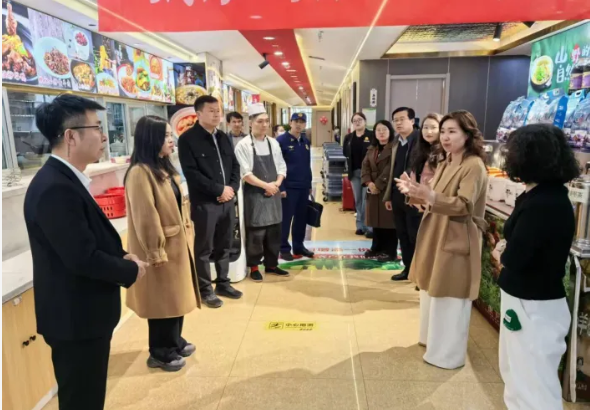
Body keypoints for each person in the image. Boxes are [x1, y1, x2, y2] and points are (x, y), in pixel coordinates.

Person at [24, 95, 147, 410]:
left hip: (81, 315)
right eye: (97, 128)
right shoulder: (55, 187)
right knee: (82, 400)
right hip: (75, 319)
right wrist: (130, 270)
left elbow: (84, 240)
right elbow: (82, 258)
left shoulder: (65, 179)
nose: (104, 136)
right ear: (71, 137)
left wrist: (119, 256)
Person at [395, 110, 488, 370]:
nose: (445, 137)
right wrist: (414, 193)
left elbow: (464, 205)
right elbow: (432, 197)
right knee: (431, 290)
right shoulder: (447, 161)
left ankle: (447, 355)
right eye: (444, 132)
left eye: (452, 132)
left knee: (450, 294)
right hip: (436, 232)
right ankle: (430, 342)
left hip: (457, 235)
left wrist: (429, 196)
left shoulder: (473, 165)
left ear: (468, 135)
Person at [495, 124, 579, 410]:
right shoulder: (542, 195)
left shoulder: (544, 202)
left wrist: (502, 253)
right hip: (527, 298)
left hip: (533, 303)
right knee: (518, 373)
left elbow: (518, 256)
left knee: (532, 380)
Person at [124, 116, 201, 372]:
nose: (171, 140)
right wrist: (155, 252)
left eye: (171, 135)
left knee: (176, 297)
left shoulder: (163, 167)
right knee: (162, 301)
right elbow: (145, 217)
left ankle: (174, 341)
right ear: (151, 138)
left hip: (177, 245)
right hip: (160, 249)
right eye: (166, 135)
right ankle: (160, 351)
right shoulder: (140, 172)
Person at [178, 95, 242, 309]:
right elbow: (192, 174)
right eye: (212, 111)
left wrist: (231, 189)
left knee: (225, 244)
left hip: (227, 201)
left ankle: (223, 283)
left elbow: (235, 166)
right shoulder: (187, 139)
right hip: (205, 203)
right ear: (198, 114)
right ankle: (205, 290)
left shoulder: (223, 137)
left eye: (218, 111)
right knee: (204, 248)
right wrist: (219, 190)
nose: (217, 115)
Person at [235, 103, 289, 281]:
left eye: (266, 121)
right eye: (260, 121)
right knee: (256, 234)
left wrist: (276, 184)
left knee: (274, 232)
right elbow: (245, 174)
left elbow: (281, 166)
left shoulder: (273, 143)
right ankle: (254, 267)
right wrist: (266, 186)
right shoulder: (243, 145)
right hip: (255, 195)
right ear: (250, 123)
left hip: (273, 193)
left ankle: (272, 265)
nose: (264, 124)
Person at [387, 107, 422, 281]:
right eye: (395, 120)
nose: (398, 123)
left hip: (414, 195)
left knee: (415, 234)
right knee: (402, 233)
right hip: (397, 194)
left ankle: (419, 272)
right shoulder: (396, 142)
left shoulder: (421, 141)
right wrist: (389, 195)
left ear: (412, 121)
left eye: (402, 119)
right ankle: (408, 269)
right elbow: (392, 169)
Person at [277, 112, 315, 261]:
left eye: (302, 122)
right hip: (289, 187)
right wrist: (281, 187)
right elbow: (277, 166)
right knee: (286, 219)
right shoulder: (281, 141)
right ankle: (283, 248)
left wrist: (309, 184)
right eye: (296, 121)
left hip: (303, 187)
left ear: (305, 124)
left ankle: (299, 246)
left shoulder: (305, 141)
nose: (299, 124)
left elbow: (307, 164)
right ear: (290, 123)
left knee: (301, 219)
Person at [361, 120, 398, 262]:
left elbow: (390, 169)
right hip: (372, 190)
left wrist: (377, 185)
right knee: (375, 220)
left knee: (388, 222)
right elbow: (365, 166)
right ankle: (376, 247)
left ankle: (390, 251)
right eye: (378, 130)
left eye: (384, 129)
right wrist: (369, 183)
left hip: (386, 189)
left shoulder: (394, 148)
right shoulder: (372, 148)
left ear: (390, 131)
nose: (381, 132)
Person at [343, 112, 373, 237]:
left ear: (365, 121)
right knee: (358, 200)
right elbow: (345, 152)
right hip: (354, 173)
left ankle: (368, 227)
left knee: (367, 200)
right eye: (355, 121)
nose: (357, 122)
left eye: (360, 120)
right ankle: (359, 226)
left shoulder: (372, 135)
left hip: (368, 174)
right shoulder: (349, 138)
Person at [409, 113, 443, 187]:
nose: (428, 131)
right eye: (425, 127)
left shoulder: (444, 152)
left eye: (433, 127)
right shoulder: (419, 150)